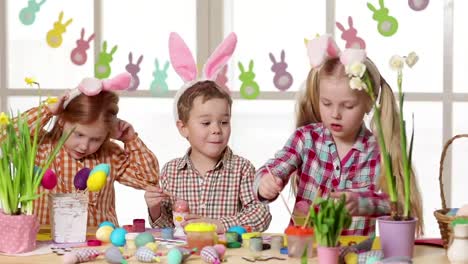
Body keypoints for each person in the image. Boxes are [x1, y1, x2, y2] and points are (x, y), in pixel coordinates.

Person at [254, 35, 423, 236]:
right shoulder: (305, 139)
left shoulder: (377, 151)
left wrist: (363, 204)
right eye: (326, 103)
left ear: (369, 104)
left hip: (354, 253)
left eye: (348, 105)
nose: (335, 114)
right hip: (306, 250)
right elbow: (271, 169)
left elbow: (399, 207)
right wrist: (264, 182)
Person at [145, 32, 271, 233]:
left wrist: (219, 225)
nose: (216, 130)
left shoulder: (242, 169)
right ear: (183, 127)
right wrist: (154, 208)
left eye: (224, 121)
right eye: (206, 123)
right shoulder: (171, 172)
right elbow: (166, 227)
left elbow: (261, 215)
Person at [28, 72, 159, 226]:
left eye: (96, 139)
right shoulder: (40, 148)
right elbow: (5, 135)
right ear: (62, 120)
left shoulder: (111, 156)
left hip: (99, 242)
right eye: (78, 134)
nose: (84, 146)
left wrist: (130, 140)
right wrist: (47, 111)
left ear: (106, 136)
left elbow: (148, 179)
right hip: (46, 243)